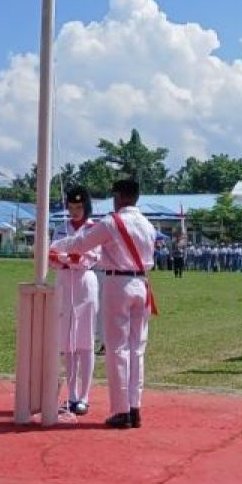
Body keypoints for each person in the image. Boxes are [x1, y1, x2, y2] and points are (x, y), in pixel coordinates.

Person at [50, 179, 156, 429]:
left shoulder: (112, 222)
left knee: (117, 348)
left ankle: (121, 411)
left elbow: (81, 243)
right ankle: (134, 406)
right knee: (137, 349)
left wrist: (54, 247)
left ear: (119, 197)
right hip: (142, 283)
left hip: (118, 283)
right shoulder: (148, 225)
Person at [49, 186, 101, 415]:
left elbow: (89, 259)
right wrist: (67, 258)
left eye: (79, 207)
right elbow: (50, 257)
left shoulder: (95, 229)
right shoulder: (61, 229)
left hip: (84, 283)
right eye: (71, 207)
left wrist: (66, 258)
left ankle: (84, 395)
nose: (75, 212)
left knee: (85, 341)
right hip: (63, 282)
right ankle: (71, 395)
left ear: (86, 207)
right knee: (67, 343)